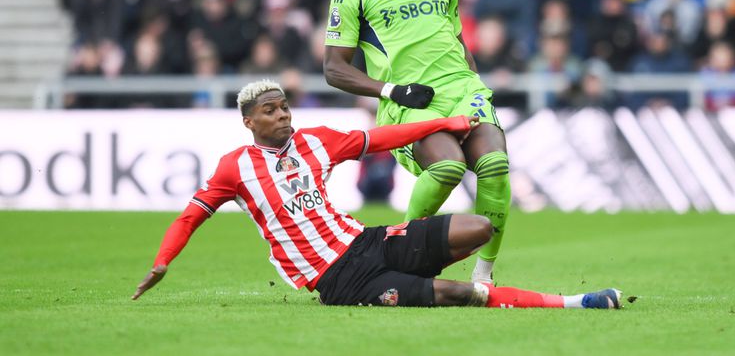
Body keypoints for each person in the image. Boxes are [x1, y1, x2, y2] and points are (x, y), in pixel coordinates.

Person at [132, 80, 622, 309]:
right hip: (336, 279)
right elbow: (190, 217)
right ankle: (577, 303)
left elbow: (384, 140)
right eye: (269, 111)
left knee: (480, 227)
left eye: (284, 107)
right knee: (458, 295)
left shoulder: (317, 140)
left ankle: (405, 274)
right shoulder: (233, 168)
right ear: (249, 122)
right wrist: (162, 260)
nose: (282, 116)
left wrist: (444, 123)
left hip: (366, 242)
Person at [323, 0, 510, 284]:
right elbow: (334, 68)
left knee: (495, 165)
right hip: (410, 101)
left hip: (462, 90)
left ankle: (485, 274)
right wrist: (393, 90)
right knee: (448, 167)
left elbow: (457, 43)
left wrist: (474, 84)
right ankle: (399, 257)